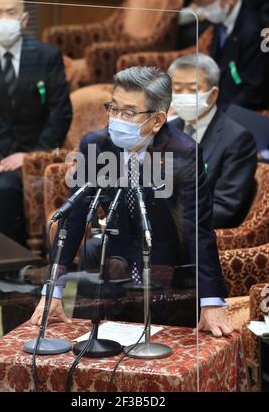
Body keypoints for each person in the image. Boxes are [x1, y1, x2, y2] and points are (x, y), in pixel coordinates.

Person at [31, 66, 233, 338]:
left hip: (167, 279)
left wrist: (210, 300)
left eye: (128, 112)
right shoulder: (97, 145)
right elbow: (74, 218)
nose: (116, 119)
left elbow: (198, 228)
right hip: (111, 271)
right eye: (113, 108)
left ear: (158, 119)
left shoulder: (183, 153)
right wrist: (53, 289)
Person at [0, 0, 72, 246]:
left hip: (30, 150)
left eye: (11, 12)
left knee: (6, 189)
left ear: (24, 19)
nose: (4, 18)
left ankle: (11, 267)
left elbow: (61, 112)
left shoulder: (46, 56)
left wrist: (32, 155)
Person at [168, 53, 257, 229]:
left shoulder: (237, 139)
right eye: (177, 89)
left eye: (193, 89)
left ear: (213, 94)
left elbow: (224, 208)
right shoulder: (169, 130)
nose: (183, 96)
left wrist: (169, 225)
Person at [187, 0, 268, 110]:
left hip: (242, 111)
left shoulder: (255, 31)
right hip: (219, 100)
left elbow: (253, 91)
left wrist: (218, 113)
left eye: (203, 2)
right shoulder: (221, 19)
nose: (200, 10)